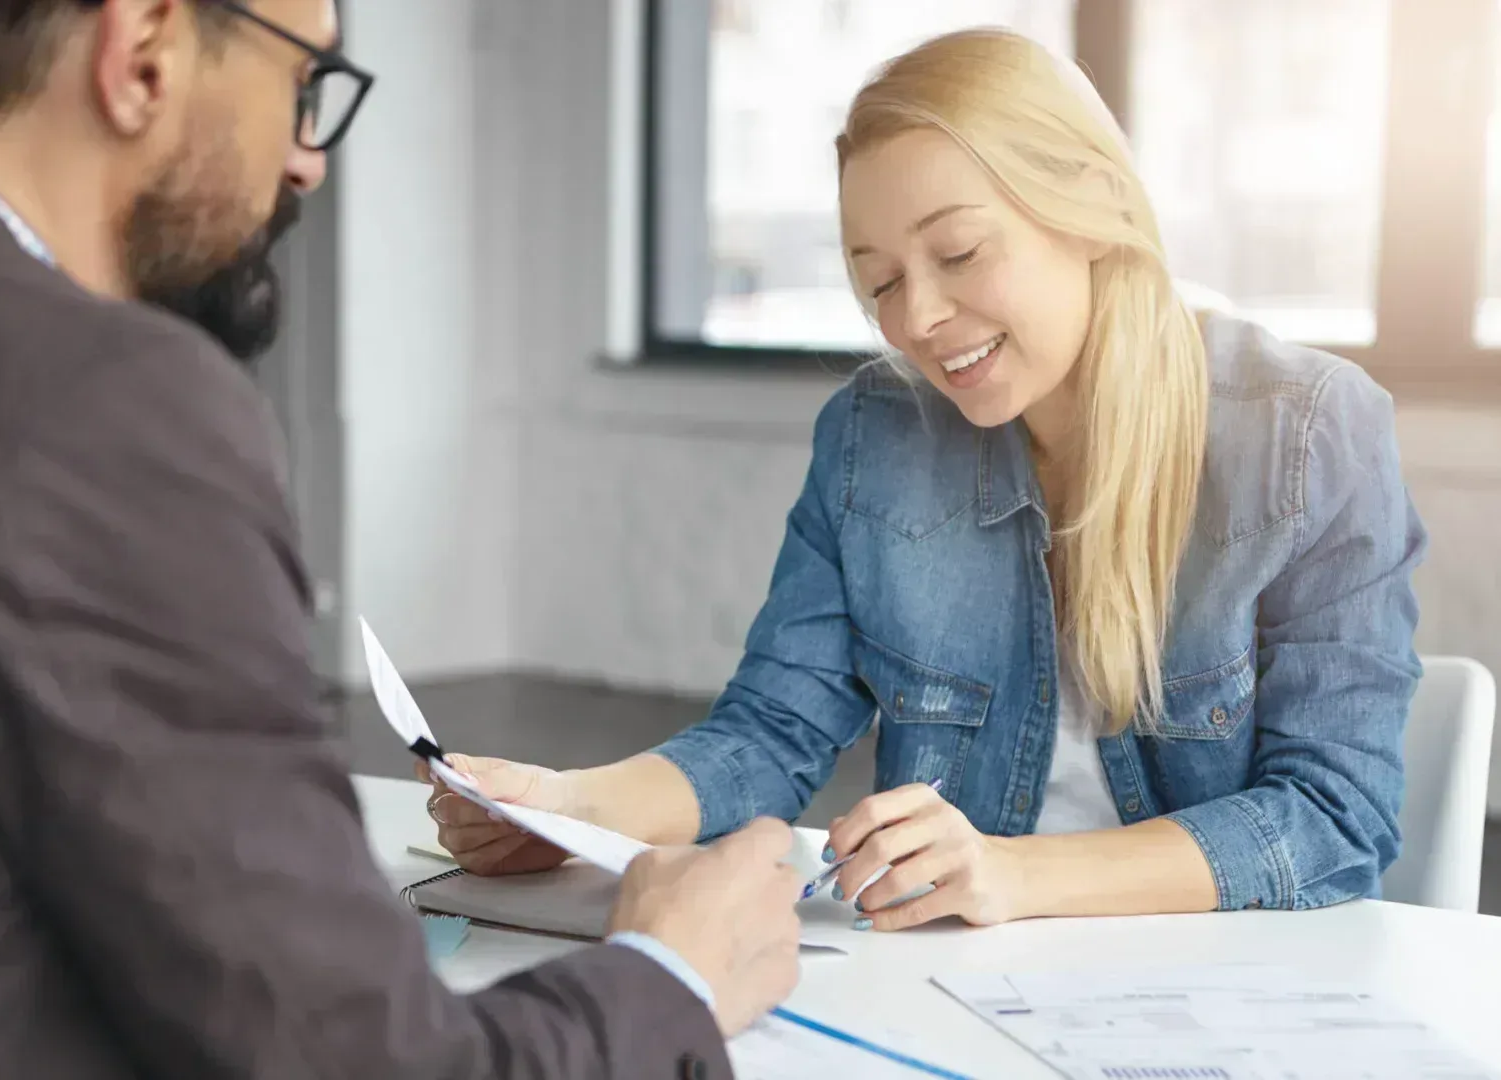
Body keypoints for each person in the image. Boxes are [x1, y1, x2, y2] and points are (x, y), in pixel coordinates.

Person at [0, 2, 803, 1077]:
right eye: (300, 83)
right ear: (144, 51)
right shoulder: (94, 401)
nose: (308, 160)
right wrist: (671, 976)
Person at [431, 28, 1427, 930]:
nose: (920, 319)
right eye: (882, 282)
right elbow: (772, 732)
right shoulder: (875, 435)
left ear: (1094, 205)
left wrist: (1014, 876)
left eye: (957, 251)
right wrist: (569, 808)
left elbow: (1333, 820)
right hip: (953, 991)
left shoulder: (1306, 436)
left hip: (1222, 1005)